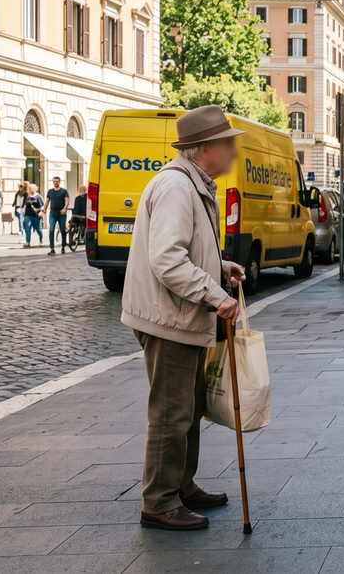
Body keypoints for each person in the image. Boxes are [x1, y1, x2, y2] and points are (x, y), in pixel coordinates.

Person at [120, 104, 247, 532]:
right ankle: (159, 501)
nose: (233, 152)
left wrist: (219, 267)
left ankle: (180, 486)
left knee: (189, 409)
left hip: (179, 315)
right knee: (172, 413)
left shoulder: (192, 183)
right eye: (228, 144)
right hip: (169, 318)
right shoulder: (177, 186)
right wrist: (215, 295)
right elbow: (168, 260)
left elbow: (184, 249)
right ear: (204, 148)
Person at [44, 176, 71, 255]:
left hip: (61, 213)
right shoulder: (50, 191)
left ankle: (63, 247)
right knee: (51, 230)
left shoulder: (64, 191)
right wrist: (44, 209)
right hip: (53, 213)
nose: (55, 183)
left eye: (57, 181)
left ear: (59, 182)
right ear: (53, 182)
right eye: (54, 181)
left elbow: (67, 201)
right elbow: (47, 201)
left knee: (62, 230)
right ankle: (52, 248)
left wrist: (64, 209)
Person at [22, 183, 44, 248]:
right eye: (29, 188)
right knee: (28, 228)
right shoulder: (27, 197)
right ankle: (28, 242)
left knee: (38, 229)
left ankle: (41, 238)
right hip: (28, 215)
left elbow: (43, 205)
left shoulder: (38, 196)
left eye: (31, 188)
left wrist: (42, 212)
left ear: (35, 189)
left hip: (37, 215)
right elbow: (25, 205)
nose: (30, 189)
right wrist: (24, 214)